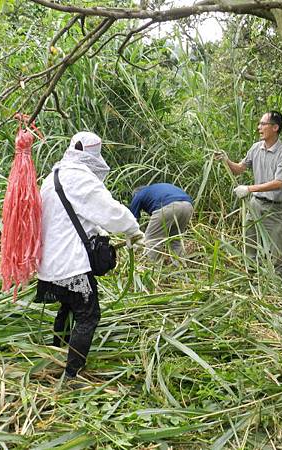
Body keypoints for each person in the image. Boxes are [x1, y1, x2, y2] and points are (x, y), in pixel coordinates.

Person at [36, 132, 144, 382]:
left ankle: (57, 352)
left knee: (68, 306)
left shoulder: (52, 178)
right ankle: (71, 374)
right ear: (93, 155)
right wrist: (133, 229)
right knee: (88, 314)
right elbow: (108, 210)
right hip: (71, 265)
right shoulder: (79, 177)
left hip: (49, 264)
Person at [215, 111, 282, 285]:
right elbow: (240, 169)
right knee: (250, 244)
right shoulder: (255, 148)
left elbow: (279, 183)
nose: (259, 127)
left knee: (279, 251)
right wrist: (226, 160)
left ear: (275, 127)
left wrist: (249, 188)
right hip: (255, 204)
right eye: (259, 124)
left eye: (263, 124)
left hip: (274, 208)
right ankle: (253, 282)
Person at [129, 183, 194, 262]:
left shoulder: (139, 194)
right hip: (188, 206)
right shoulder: (154, 190)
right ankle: (180, 267)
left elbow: (132, 220)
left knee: (152, 240)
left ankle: (151, 269)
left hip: (169, 206)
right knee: (175, 240)